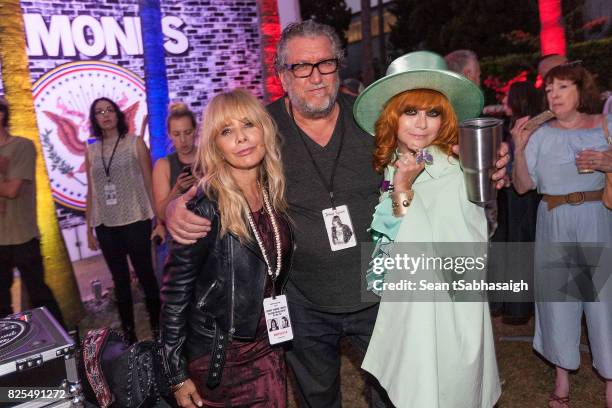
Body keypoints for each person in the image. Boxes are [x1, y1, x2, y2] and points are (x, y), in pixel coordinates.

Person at [164, 21, 509, 408]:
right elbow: (218, 171)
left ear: (338, 66)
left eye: (325, 64)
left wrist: (487, 161)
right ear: (282, 75)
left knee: (394, 395)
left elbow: (434, 141)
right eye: (301, 67)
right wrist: (173, 206)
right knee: (318, 398)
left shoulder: (373, 121)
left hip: (380, 295)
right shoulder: (262, 128)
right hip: (302, 299)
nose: (315, 77)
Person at [354, 50, 501, 408]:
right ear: (393, 116)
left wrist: (404, 191)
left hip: (446, 310)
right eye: (410, 111)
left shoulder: (453, 170)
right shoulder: (396, 164)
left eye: (432, 113)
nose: (421, 124)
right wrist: (401, 185)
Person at [160, 89, 293, 408]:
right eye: (226, 131)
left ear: (263, 129)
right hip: (223, 358)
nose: (241, 138)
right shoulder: (204, 206)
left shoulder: (273, 192)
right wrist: (176, 373)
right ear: (215, 145)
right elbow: (175, 295)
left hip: (270, 346)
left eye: (248, 124)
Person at [512, 63, 612, 407]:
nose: (553, 95)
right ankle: (561, 377)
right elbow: (523, 186)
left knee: (603, 300)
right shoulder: (540, 133)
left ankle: (611, 380)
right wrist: (520, 148)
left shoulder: (605, 125)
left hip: (597, 216)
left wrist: (608, 164)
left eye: (562, 88)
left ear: (580, 91)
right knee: (557, 300)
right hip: (554, 219)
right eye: (549, 89)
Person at [85, 97, 160, 343]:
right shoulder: (92, 150)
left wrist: (158, 219)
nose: (105, 115)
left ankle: (159, 330)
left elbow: (150, 183)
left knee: (146, 276)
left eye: (109, 110)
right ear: (94, 119)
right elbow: (91, 190)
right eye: (99, 112)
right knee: (120, 282)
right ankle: (130, 336)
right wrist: (88, 229)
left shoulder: (134, 143)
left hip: (136, 219)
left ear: (117, 114)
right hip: (106, 225)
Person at [0, 96, 65, 327]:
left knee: (40, 297)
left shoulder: (22, 146)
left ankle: (65, 346)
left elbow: (11, 190)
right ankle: (8, 353)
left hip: (23, 237)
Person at [496, 81, 543, 324]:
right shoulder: (514, 125)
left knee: (521, 248)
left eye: (507, 98)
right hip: (513, 197)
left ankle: (522, 307)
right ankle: (517, 307)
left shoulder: (530, 127)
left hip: (524, 198)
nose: (503, 102)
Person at [151, 103, 198, 283]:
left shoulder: (209, 157)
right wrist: (177, 189)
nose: (183, 140)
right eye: (177, 135)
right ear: (170, 135)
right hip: (180, 242)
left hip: (213, 237)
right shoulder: (164, 165)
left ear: (195, 130)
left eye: (187, 132)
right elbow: (161, 213)